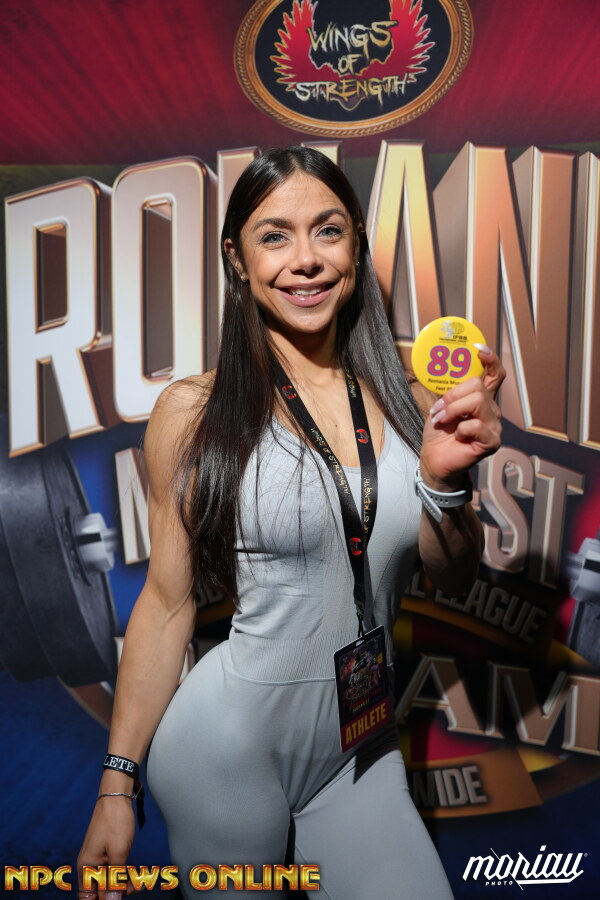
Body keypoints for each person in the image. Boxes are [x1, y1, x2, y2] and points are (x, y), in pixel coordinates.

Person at [77, 147, 504, 899]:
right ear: (236, 260)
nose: (305, 259)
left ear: (356, 246)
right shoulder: (194, 412)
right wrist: (118, 783)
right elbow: (167, 604)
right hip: (225, 752)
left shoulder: (413, 403)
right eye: (274, 236)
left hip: (362, 746)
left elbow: (455, 575)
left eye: (327, 231)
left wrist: (444, 482)